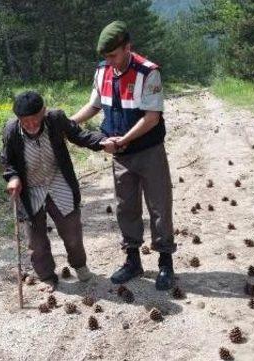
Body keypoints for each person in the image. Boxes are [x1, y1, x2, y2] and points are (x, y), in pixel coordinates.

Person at [70, 21, 176, 290]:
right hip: (120, 155)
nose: (110, 61)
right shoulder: (103, 70)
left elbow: (152, 118)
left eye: (114, 55)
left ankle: (165, 262)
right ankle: (133, 260)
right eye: (105, 57)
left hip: (148, 151)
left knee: (159, 206)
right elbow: (94, 105)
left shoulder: (148, 73)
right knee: (125, 207)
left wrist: (124, 140)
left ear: (128, 48)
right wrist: (69, 124)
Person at [0, 91, 115, 290]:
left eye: (35, 120)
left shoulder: (55, 119)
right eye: (25, 122)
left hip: (58, 183)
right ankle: (46, 276)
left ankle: (79, 265)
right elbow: (7, 161)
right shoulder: (11, 130)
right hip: (31, 190)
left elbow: (79, 135)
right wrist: (13, 177)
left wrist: (101, 142)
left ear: (43, 112)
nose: (31, 125)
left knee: (72, 233)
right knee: (36, 242)